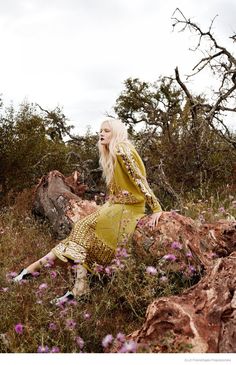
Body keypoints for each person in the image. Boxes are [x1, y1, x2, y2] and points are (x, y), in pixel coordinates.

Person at [13, 118, 162, 304]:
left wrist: (156, 209)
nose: (101, 133)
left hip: (130, 210)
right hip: (117, 207)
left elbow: (140, 180)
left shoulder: (122, 149)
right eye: (100, 130)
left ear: (116, 133)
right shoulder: (111, 153)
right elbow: (118, 188)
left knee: (82, 227)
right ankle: (46, 277)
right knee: (79, 235)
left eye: (107, 131)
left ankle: (40, 275)